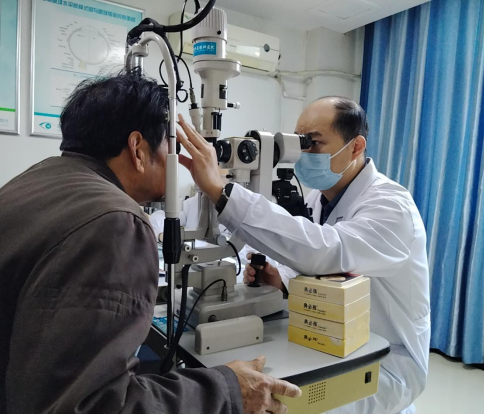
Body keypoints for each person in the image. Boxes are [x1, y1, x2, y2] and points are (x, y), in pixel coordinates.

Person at [0, 71, 301, 414]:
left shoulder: (37, 181)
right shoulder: (115, 221)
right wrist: (226, 390)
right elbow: (92, 407)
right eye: (171, 145)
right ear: (137, 149)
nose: (177, 161)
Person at [176, 96, 430, 414]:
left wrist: (223, 192)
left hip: (384, 361)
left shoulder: (391, 206)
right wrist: (281, 280)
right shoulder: (317, 200)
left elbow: (326, 250)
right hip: (329, 340)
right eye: (299, 142)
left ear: (355, 147)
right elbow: (311, 260)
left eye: (313, 142)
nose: (302, 153)